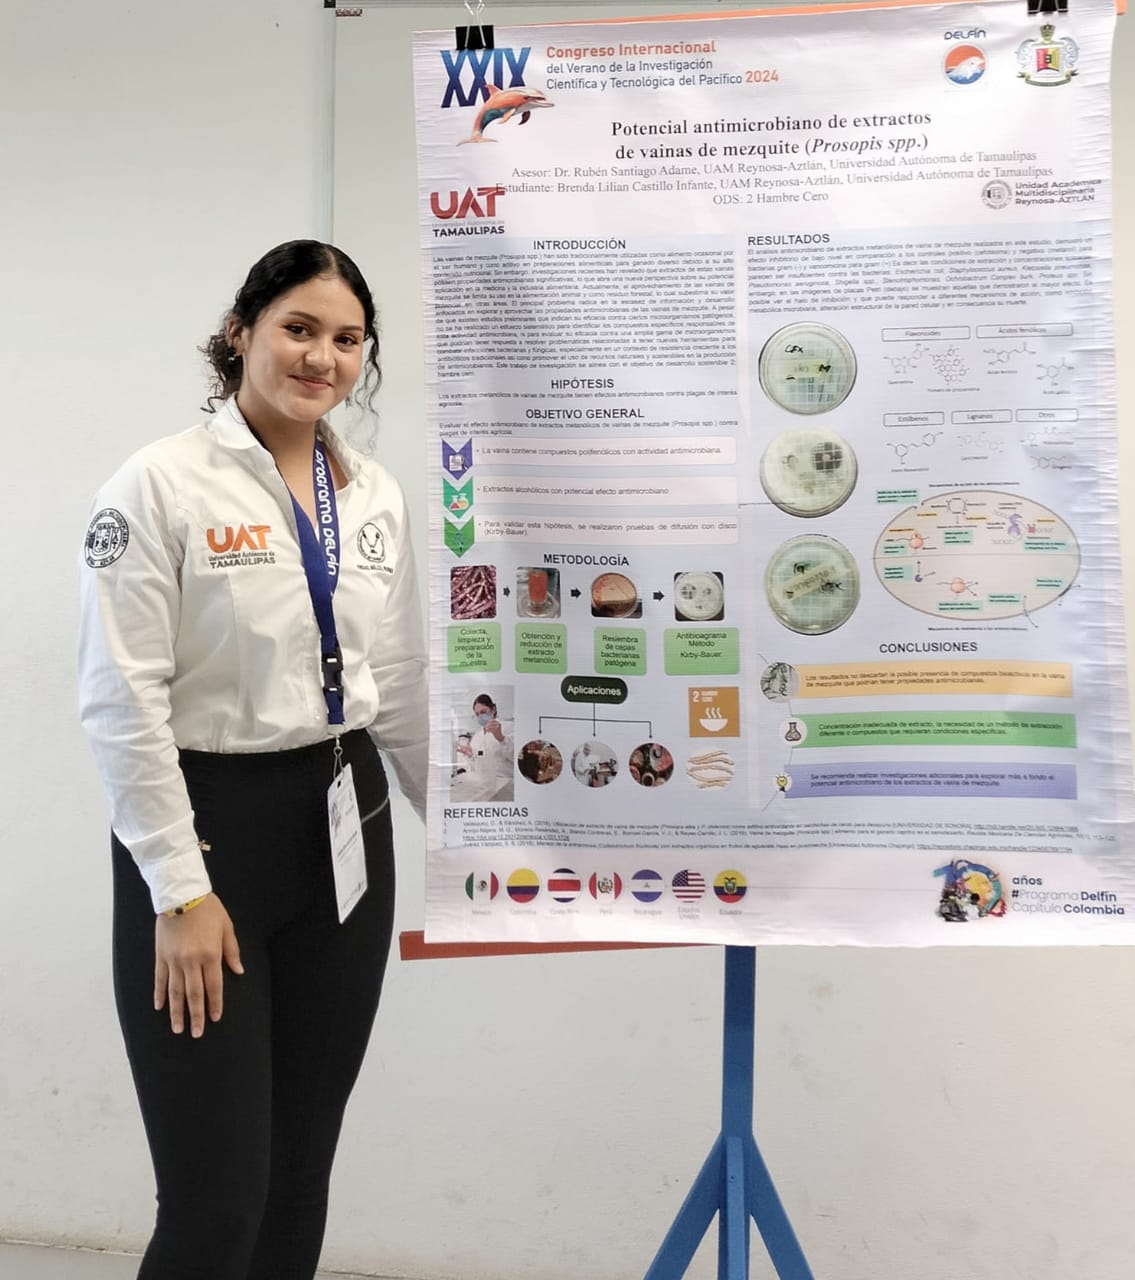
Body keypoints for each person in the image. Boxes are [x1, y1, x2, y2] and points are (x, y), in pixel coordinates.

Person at [78, 241, 427, 1280]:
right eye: (299, 328)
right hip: (207, 832)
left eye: (347, 339)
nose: (322, 357)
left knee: (296, 1178)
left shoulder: (374, 495)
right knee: (215, 1201)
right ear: (241, 333)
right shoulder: (158, 484)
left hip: (344, 820)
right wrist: (179, 891)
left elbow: (399, 680)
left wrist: (478, 838)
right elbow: (120, 699)